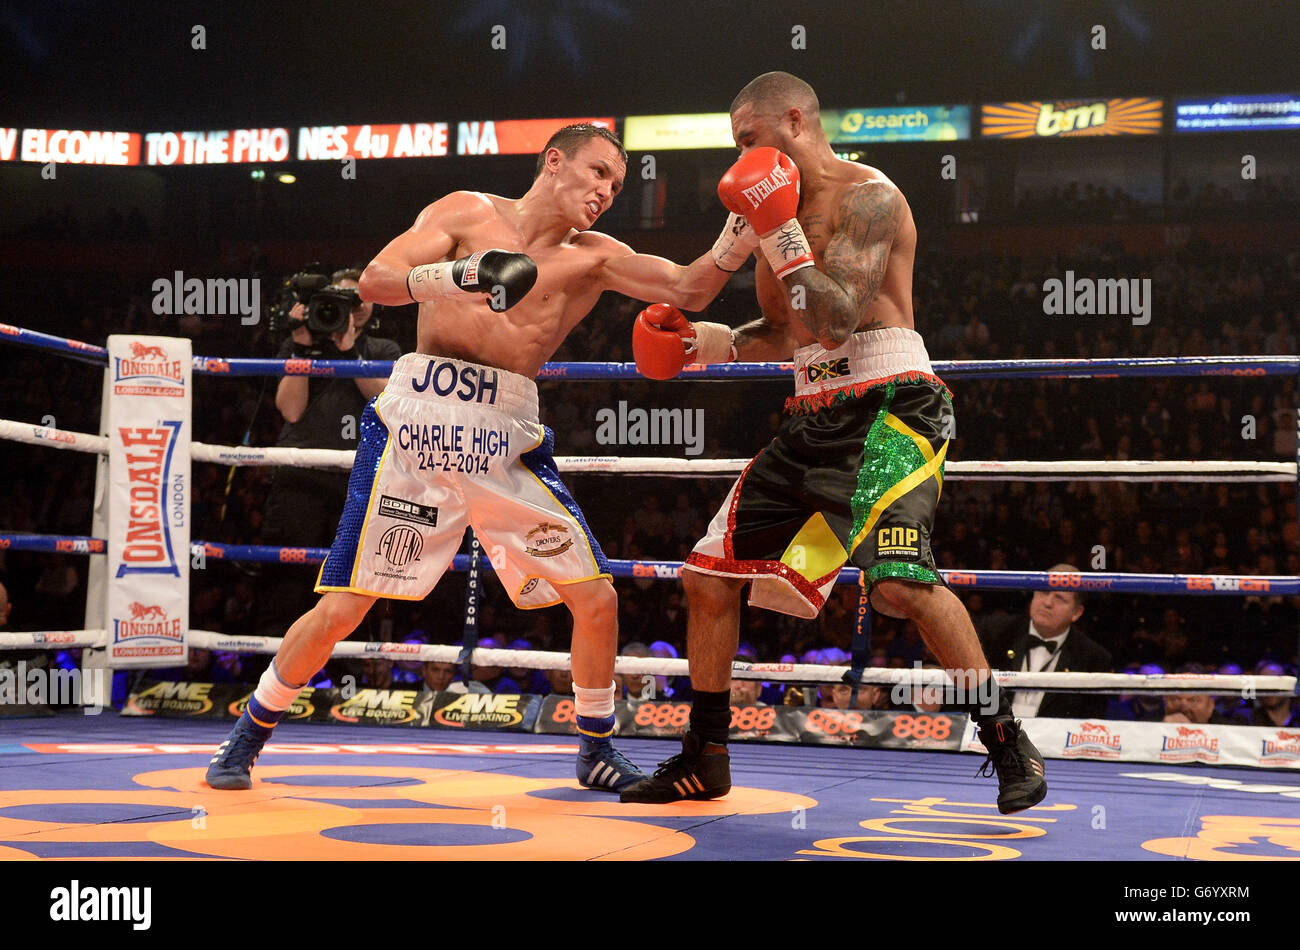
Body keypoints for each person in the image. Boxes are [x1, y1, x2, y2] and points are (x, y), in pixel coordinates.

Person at [207, 123, 755, 793]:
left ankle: (595, 748)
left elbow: (690, 287)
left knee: (597, 597)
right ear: (554, 162)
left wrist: (749, 222)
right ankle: (245, 737)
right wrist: (463, 277)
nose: (607, 191)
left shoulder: (595, 256)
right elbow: (377, 281)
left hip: (507, 437)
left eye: (616, 183)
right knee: (345, 607)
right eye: (597, 173)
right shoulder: (466, 211)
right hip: (419, 429)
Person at [620, 73, 1046, 814]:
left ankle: (1005, 738)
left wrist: (778, 228)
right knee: (707, 577)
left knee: (899, 586)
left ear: (793, 120)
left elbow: (839, 318)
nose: (742, 155)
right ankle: (706, 755)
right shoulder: (756, 213)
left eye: (748, 138)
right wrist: (702, 343)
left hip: (895, 406)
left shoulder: (870, 197)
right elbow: (786, 333)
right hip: (812, 412)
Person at [253, 269, 402, 647]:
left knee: (354, 583)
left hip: (362, 481)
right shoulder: (299, 343)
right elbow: (290, 410)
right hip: (300, 476)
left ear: (371, 304)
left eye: (359, 299)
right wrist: (302, 345)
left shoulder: (383, 349)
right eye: (342, 299)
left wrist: (348, 352)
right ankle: (269, 674)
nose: (351, 307)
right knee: (285, 577)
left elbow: (387, 403)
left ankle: (345, 679)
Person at [977, 563, 1113, 719]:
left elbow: (1089, 725)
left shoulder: (1093, 658)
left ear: (1076, 612)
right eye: (1044, 591)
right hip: (987, 736)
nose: (1048, 603)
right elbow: (963, 696)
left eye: (1060, 598)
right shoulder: (994, 632)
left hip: (1052, 741)